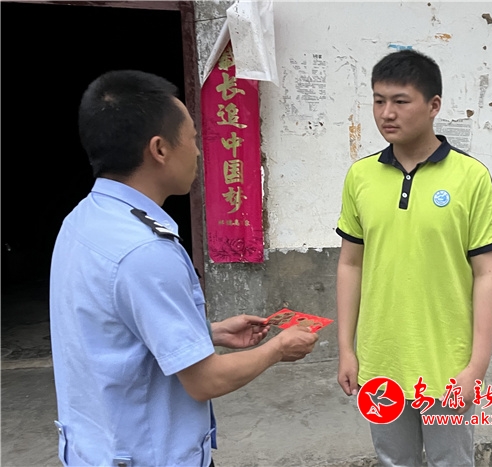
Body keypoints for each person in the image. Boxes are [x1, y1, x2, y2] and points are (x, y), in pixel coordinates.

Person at [49, 69, 318, 467]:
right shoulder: (145, 250)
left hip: (95, 450)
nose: (198, 152)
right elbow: (205, 380)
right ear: (159, 149)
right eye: (193, 138)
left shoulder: (83, 220)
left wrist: (208, 333)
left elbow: (114, 332)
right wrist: (278, 348)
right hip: (149, 456)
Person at [335, 49, 492, 466]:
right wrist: (346, 349)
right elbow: (350, 264)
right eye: (378, 100)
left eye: (400, 101)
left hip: (447, 363)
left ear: (433, 106)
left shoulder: (470, 177)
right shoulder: (360, 176)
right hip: (381, 362)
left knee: (451, 461)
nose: (386, 113)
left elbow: (486, 273)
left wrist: (476, 366)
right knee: (393, 460)